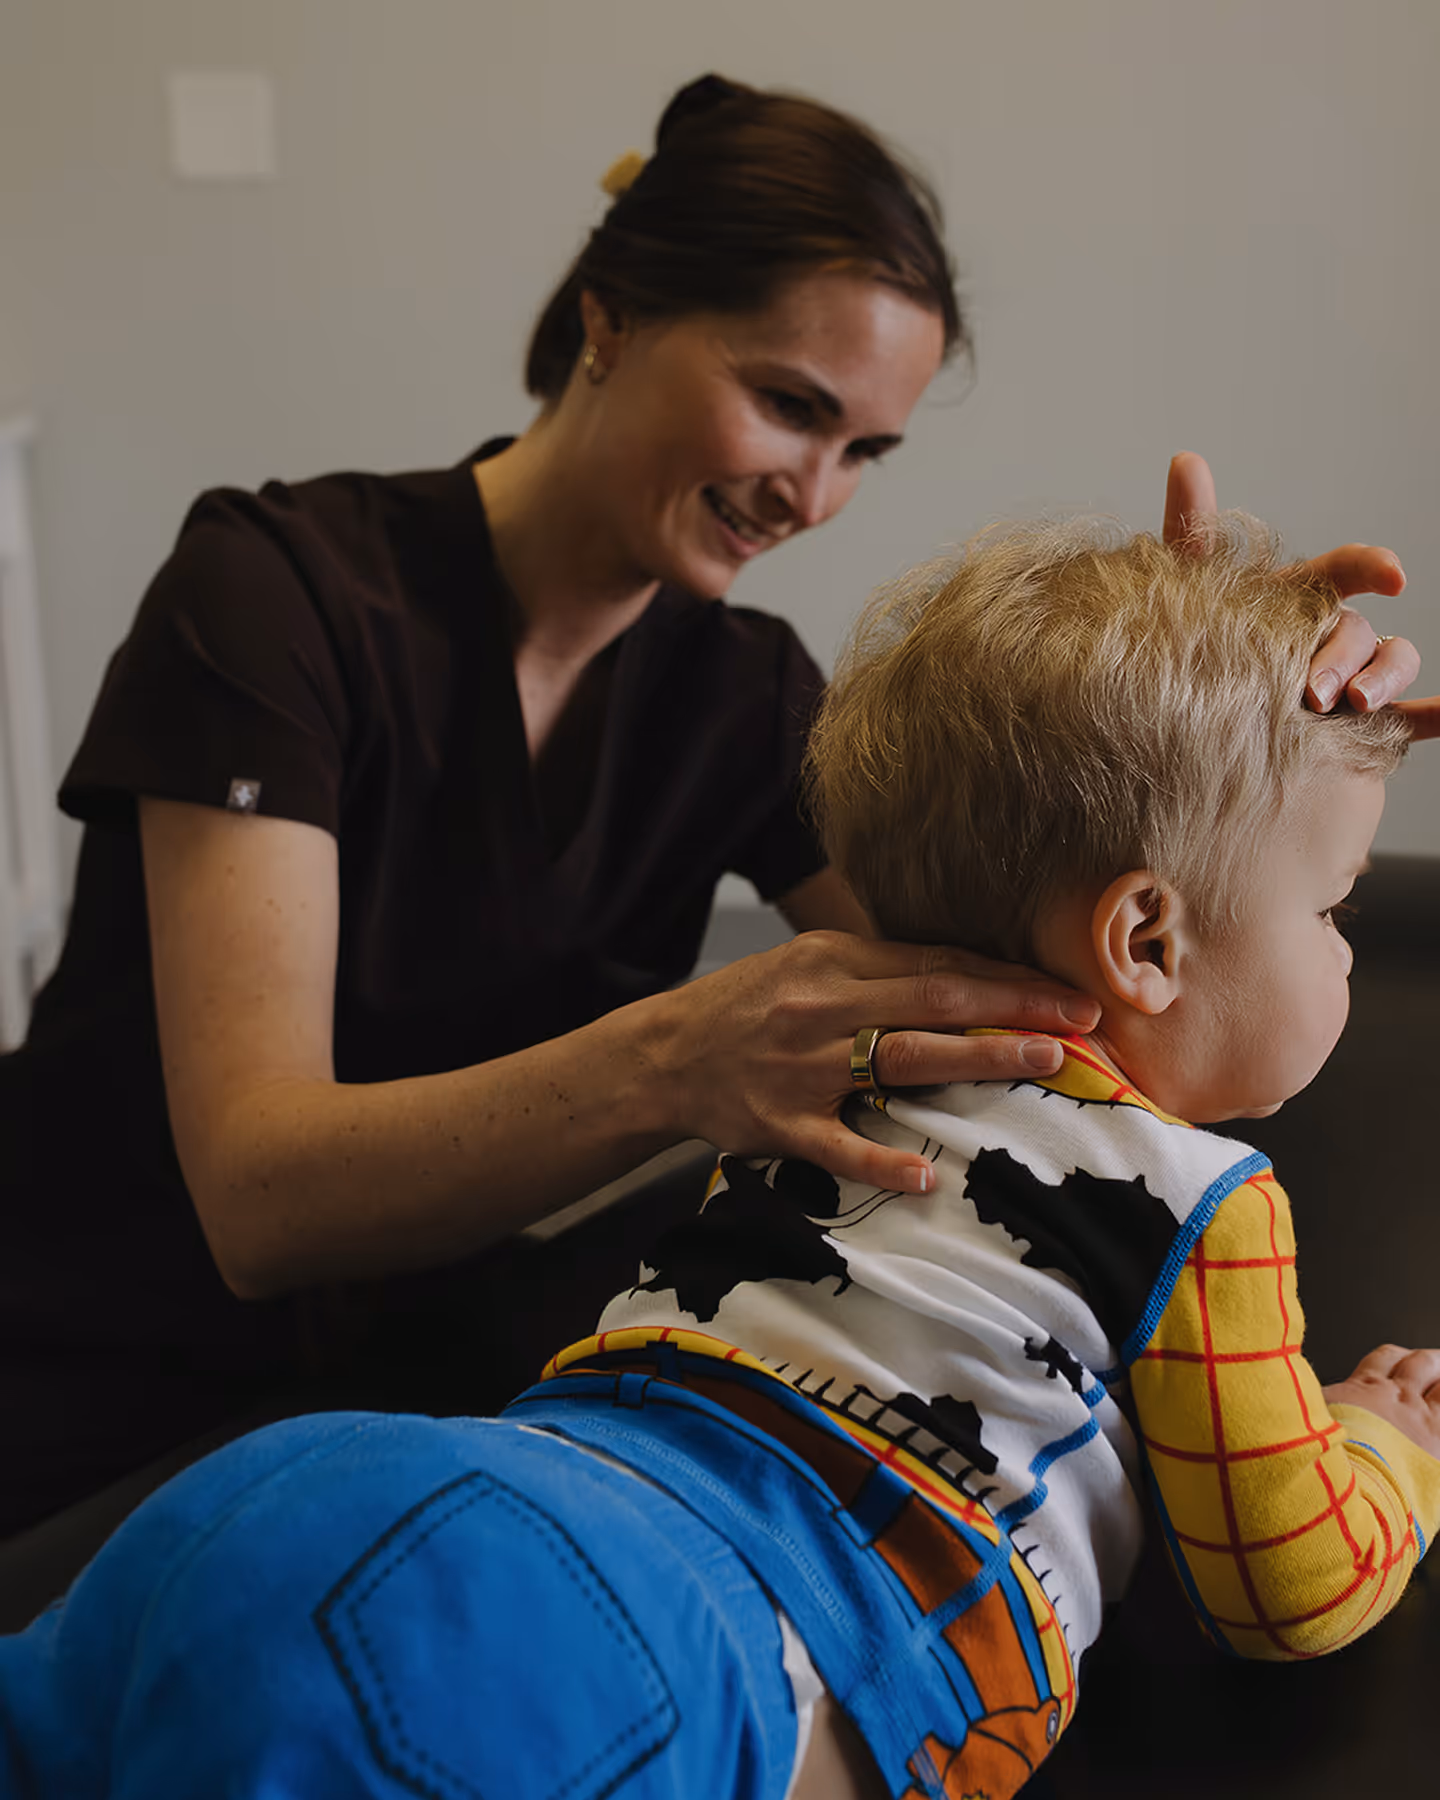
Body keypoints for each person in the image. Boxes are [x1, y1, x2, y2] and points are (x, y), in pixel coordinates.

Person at [0, 72, 1425, 1540]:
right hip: (101, 1377)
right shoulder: (271, 592)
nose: (811, 494)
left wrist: (1213, 747)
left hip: (439, 1385)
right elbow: (261, 1202)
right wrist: (678, 1057)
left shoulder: (745, 691)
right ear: (609, 317)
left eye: (865, 451)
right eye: (788, 407)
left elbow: (1053, 1003)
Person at [3, 512, 1433, 1800]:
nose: (1346, 950)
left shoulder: (828, 1078)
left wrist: (1177, 689)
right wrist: (1385, 1443)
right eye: (1334, 906)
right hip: (640, 1632)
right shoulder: (1203, 1204)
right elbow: (1287, 1577)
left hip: (332, 1491)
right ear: (1146, 940)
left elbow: (1018, 796)